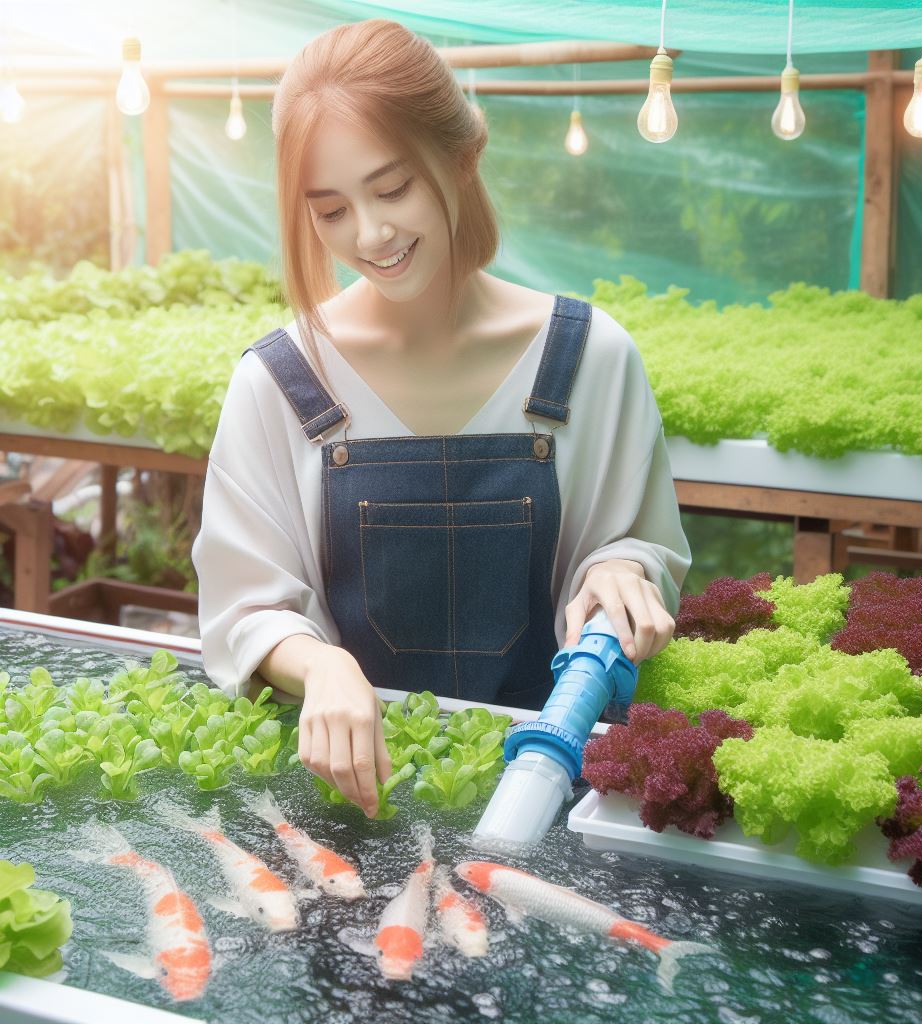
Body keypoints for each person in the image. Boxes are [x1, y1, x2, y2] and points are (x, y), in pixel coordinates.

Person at [192, 19, 691, 819]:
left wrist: (621, 568)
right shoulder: (280, 383)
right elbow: (247, 606)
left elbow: (634, 542)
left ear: (461, 158)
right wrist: (321, 667)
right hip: (348, 808)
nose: (373, 233)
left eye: (392, 189)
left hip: (555, 799)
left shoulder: (591, 357)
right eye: (331, 211)